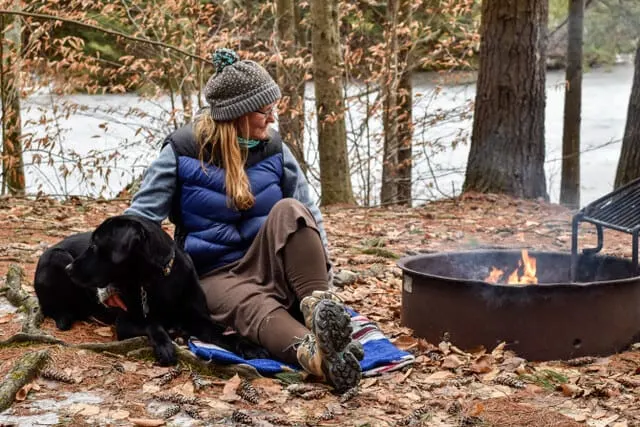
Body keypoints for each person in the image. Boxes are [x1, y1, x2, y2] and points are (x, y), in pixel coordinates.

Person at [99, 48, 363, 393]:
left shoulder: (275, 149)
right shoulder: (181, 151)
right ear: (235, 115)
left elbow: (308, 213)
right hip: (214, 274)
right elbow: (138, 222)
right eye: (263, 111)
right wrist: (110, 281)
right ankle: (319, 355)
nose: (272, 119)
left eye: (273, 109)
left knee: (291, 211)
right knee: (254, 307)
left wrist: (322, 273)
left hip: (271, 261)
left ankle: (321, 310)